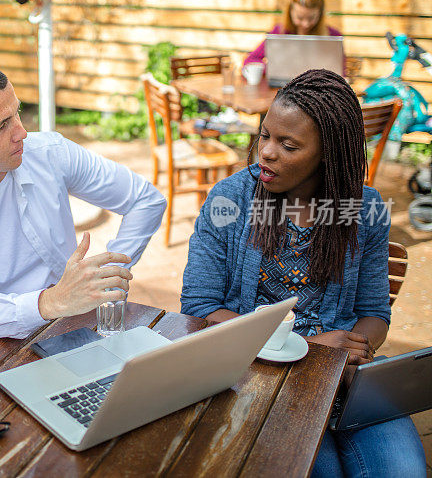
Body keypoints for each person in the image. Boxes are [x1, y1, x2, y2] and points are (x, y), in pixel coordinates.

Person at [180, 69, 426, 477]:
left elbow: (374, 312)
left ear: (327, 153)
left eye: (288, 145)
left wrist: (353, 351)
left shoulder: (363, 209)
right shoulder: (230, 201)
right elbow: (201, 306)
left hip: (345, 381)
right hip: (260, 377)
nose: (267, 153)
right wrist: (312, 351)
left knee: (404, 470)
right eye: (265, 135)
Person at [0, 60, 167, 373]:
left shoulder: (50, 152)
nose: (21, 132)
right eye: (2, 126)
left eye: (17, 113)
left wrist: (108, 274)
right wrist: (50, 302)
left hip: (64, 332)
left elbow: (145, 200)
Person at [244, 0, 343, 69]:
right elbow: (250, 60)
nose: (306, 24)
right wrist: (272, 69)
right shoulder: (279, 32)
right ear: (290, 12)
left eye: (312, 18)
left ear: (320, 14)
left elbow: (340, 71)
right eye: (300, 18)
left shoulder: (333, 36)